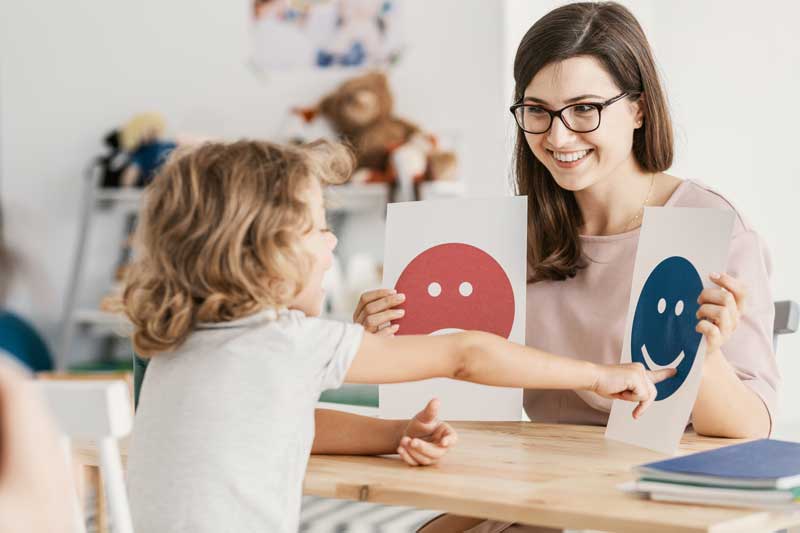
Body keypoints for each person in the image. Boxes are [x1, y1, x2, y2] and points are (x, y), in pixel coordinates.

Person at [354, 2, 780, 531]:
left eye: (584, 109)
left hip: (656, 499)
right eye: (537, 110)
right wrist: (384, 340)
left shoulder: (710, 225)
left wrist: (706, 357)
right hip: (540, 487)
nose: (557, 137)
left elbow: (749, 432)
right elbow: (463, 383)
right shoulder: (510, 237)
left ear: (639, 109)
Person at [121, 139, 669, 533]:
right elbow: (466, 352)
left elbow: (289, 422)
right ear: (261, 255)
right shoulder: (283, 342)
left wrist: (396, 433)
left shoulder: (182, 348)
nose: (332, 242)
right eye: (316, 228)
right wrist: (600, 374)